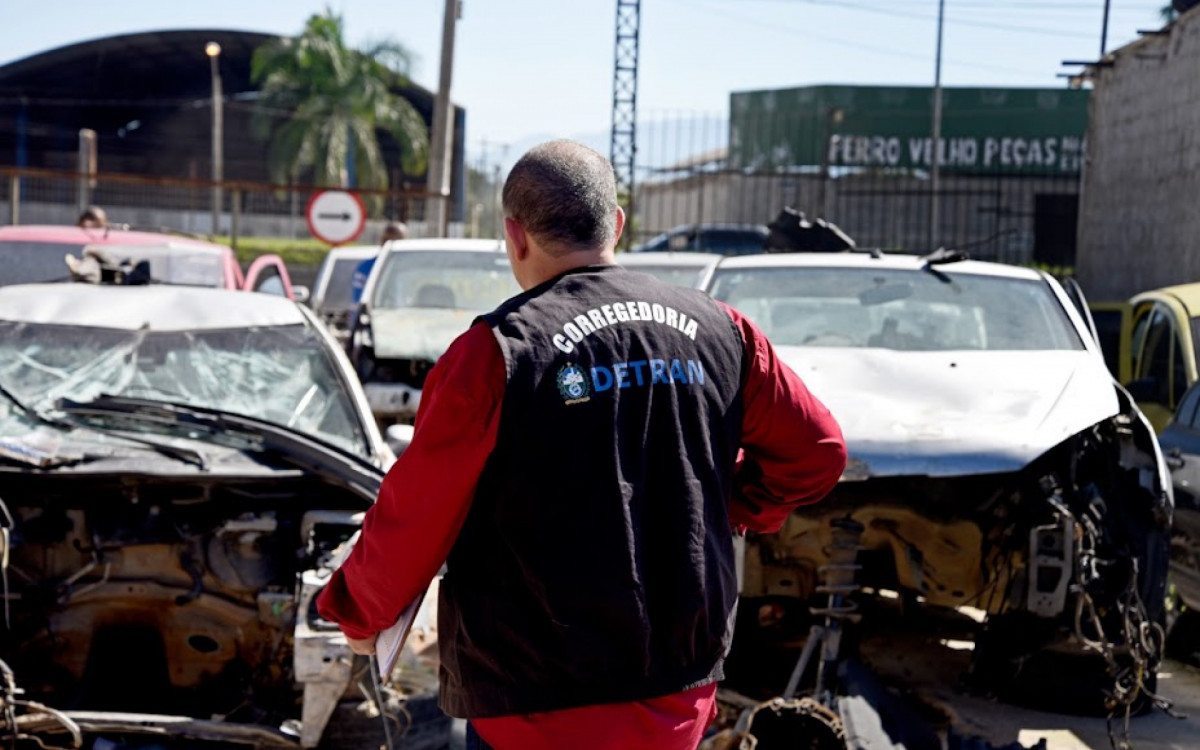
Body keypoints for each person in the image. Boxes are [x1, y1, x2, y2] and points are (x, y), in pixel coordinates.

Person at [316, 140, 847, 750]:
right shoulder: (724, 330)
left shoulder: (495, 352)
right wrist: (734, 505)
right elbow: (819, 452)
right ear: (616, 224)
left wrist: (359, 613)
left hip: (534, 703)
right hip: (676, 695)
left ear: (515, 237)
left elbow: (418, 512)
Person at [350, 221, 408, 303]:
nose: (391, 244)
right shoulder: (367, 267)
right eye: (387, 240)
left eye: (397, 240)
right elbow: (359, 300)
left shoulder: (410, 267)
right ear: (382, 240)